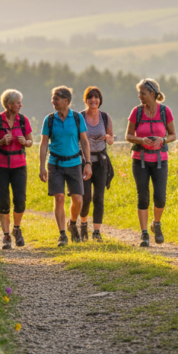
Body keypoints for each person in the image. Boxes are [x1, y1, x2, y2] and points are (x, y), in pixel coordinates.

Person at [124, 79, 176, 248]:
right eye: (139, 93)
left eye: (143, 93)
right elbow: (128, 136)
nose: (140, 96)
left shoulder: (165, 111)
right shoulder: (136, 112)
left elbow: (173, 135)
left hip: (160, 160)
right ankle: (144, 233)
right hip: (140, 160)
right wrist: (141, 140)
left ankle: (156, 223)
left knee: (160, 197)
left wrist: (163, 140)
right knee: (143, 197)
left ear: (152, 94)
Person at [39, 86, 92, 247]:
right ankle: (62, 234)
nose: (53, 101)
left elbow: (84, 141)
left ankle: (72, 223)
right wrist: (42, 166)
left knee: (78, 200)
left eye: (56, 99)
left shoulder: (77, 118)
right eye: (52, 98)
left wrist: (88, 163)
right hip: (55, 164)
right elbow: (44, 143)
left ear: (66, 101)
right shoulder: (49, 119)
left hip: (74, 163)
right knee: (59, 197)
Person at [0, 89, 33, 250]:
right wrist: (1, 141)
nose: (20, 105)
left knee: (20, 201)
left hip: (19, 166)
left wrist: (25, 142)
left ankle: (16, 229)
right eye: (18, 103)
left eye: (20, 102)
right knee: (3, 202)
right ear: (9, 104)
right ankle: (6, 236)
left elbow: (31, 141)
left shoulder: (23, 120)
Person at [79, 86, 114, 242]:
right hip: (83, 162)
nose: (93, 100)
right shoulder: (79, 117)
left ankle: (97, 232)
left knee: (99, 198)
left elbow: (111, 138)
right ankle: (83, 224)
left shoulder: (105, 117)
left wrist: (108, 138)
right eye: (90, 97)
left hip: (101, 162)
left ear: (100, 100)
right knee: (86, 197)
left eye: (96, 97)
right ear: (86, 100)